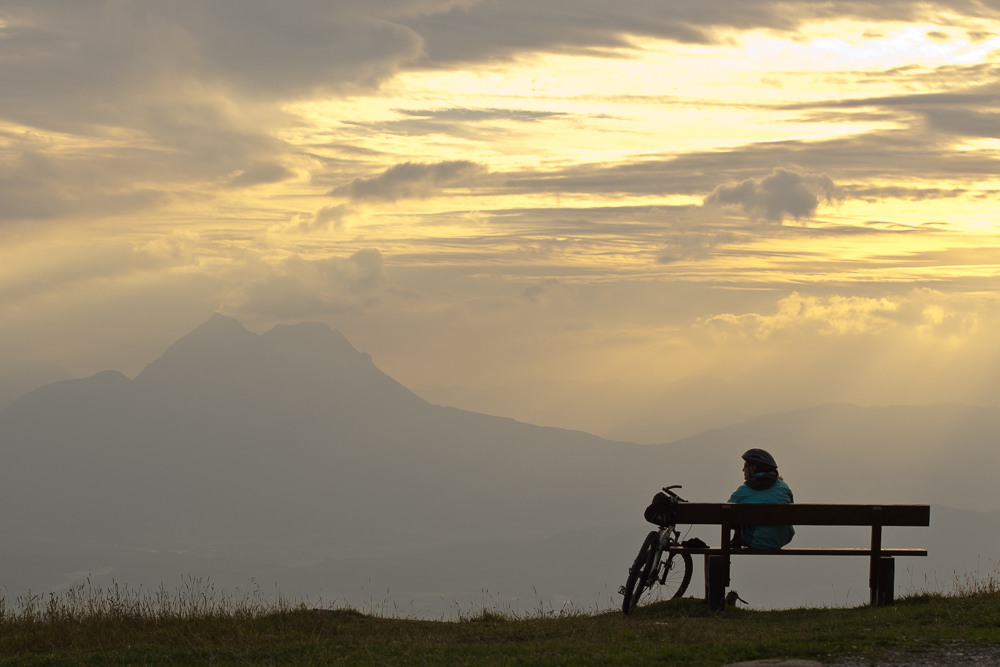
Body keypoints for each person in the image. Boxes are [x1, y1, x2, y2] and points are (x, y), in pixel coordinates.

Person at [728, 448, 794, 549]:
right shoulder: (783, 487)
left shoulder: (744, 490)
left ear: (753, 468)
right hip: (781, 539)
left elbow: (727, 515)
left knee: (734, 510)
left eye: (745, 466)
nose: (743, 469)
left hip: (756, 541)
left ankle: (737, 538)